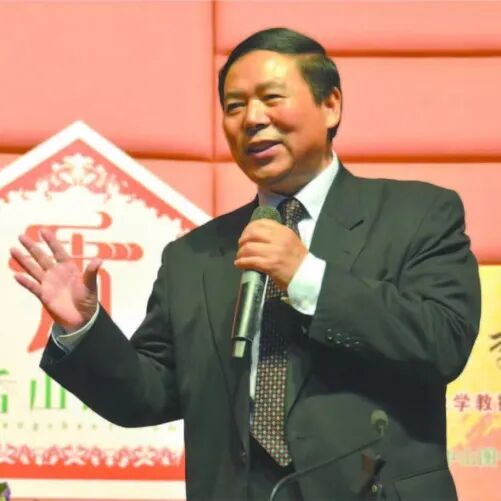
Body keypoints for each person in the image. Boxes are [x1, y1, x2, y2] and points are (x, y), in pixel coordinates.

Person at [10, 28, 481, 500]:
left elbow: (443, 341)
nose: (252, 119)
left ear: (331, 105)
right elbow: (146, 395)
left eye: (271, 98)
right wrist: (84, 328)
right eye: (234, 106)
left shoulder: (417, 214)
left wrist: (307, 277)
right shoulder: (194, 256)